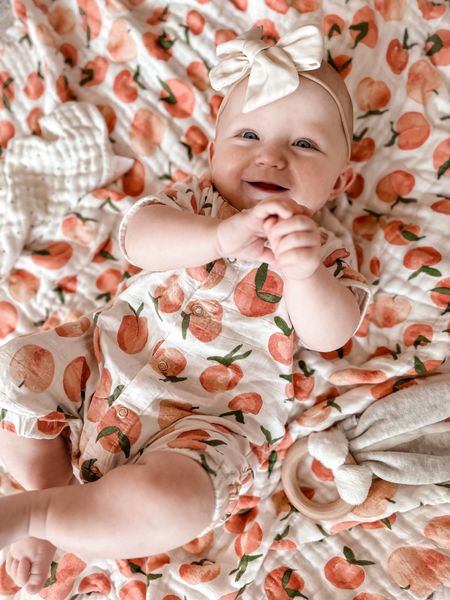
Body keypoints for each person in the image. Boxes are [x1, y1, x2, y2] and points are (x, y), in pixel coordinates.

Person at [0, 24, 370, 594]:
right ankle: (50, 488)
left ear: (340, 180)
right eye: (247, 134)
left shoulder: (324, 251)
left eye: (303, 145)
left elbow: (329, 333)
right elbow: (136, 240)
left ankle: (37, 514)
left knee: (176, 503)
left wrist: (304, 273)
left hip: (209, 419)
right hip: (105, 361)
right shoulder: (195, 205)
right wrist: (218, 236)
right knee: (16, 363)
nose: (270, 157)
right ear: (213, 153)